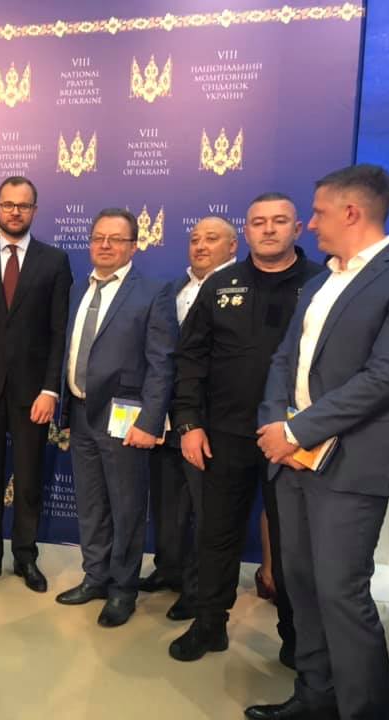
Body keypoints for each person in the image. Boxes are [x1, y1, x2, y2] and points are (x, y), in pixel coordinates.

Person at [247, 165, 389, 720]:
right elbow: (285, 359)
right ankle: (315, 696)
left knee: (341, 591)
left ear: (351, 212)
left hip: (352, 462)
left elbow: (388, 375)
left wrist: (297, 431)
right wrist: (276, 426)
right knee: (300, 583)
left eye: (319, 212)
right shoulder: (322, 280)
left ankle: (363, 709)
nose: (312, 222)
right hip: (292, 459)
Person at [169, 193, 323, 664]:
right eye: (259, 222)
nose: (269, 229)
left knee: (293, 544)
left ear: (297, 228)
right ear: (247, 231)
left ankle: (295, 637)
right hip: (225, 433)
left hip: (295, 438)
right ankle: (209, 624)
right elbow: (190, 358)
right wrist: (189, 423)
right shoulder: (222, 284)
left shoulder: (321, 283)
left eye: (279, 221)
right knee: (216, 534)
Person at [54, 209, 176, 626]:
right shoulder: (78, 289)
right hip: (81, 413)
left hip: (125, 418)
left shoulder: (153, 292)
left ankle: (123, 589)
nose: (105, 245)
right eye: (98, 237)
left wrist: (150, 422)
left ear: (134, 246)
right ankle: (96, 577)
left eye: (116, 239)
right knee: (91, 504)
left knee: (126, 507)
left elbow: (161, 364)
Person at [0, 176, 73, 593]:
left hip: (32, 395)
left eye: (23, 205)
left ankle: (26, 558)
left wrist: (50, 390)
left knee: (28, 482)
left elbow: (58, 333)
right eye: (8, 204)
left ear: (34, 211)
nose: (15, 211)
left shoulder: (54, 261)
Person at [140, 216, 237, 621]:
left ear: (232, 246)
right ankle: (170, 570)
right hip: (165, 414)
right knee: (169, 502)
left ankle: (198, 591)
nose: (200, 246)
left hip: (208, 419)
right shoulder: (174, 288)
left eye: (211, 239)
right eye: (195, 238)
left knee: (204, 509)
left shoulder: (238, 290)